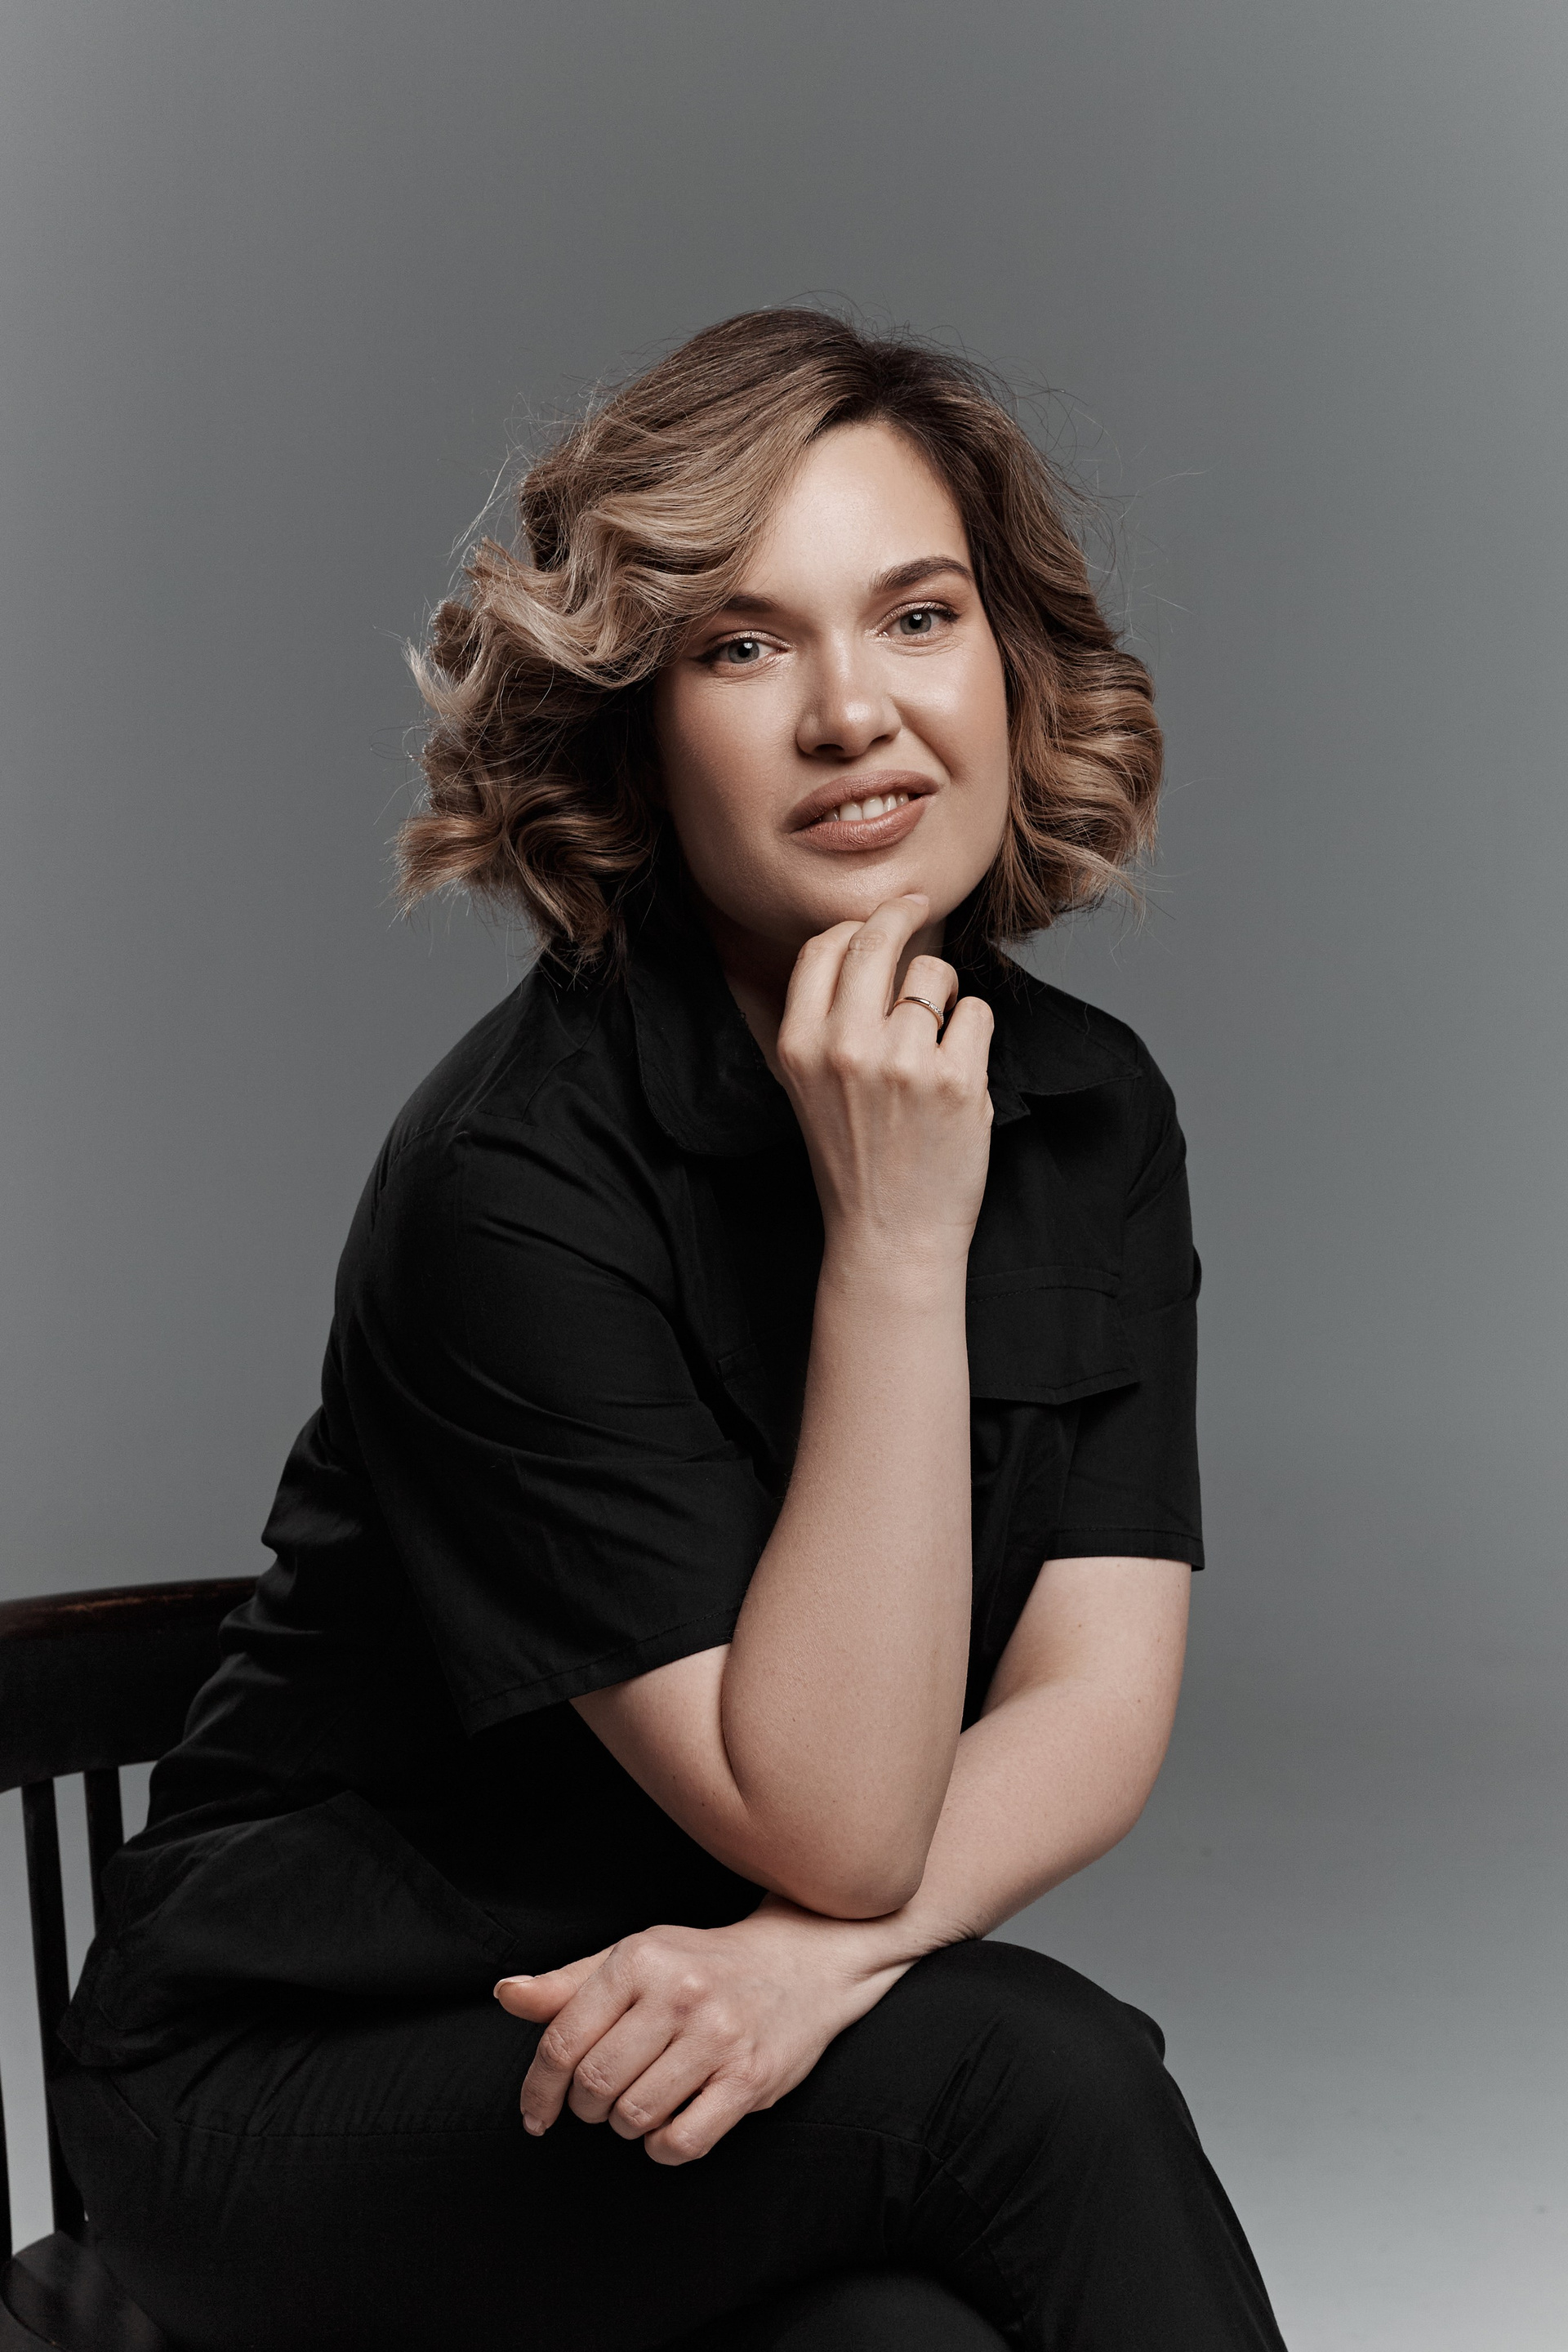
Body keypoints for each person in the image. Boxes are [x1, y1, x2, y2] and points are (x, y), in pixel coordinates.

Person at [54, 310, 1286, 2350]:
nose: (853, 714)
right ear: (634, 733)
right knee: (1032, 2078)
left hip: (700, 2012)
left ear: (1012, 666)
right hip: (304, 2079)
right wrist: (894, 1248)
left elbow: (1090, 1705)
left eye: (919, 617)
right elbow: (841, 1824)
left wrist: (809, 1969)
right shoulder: (514, 1177)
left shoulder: (1087, 1112)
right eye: (742, 647)